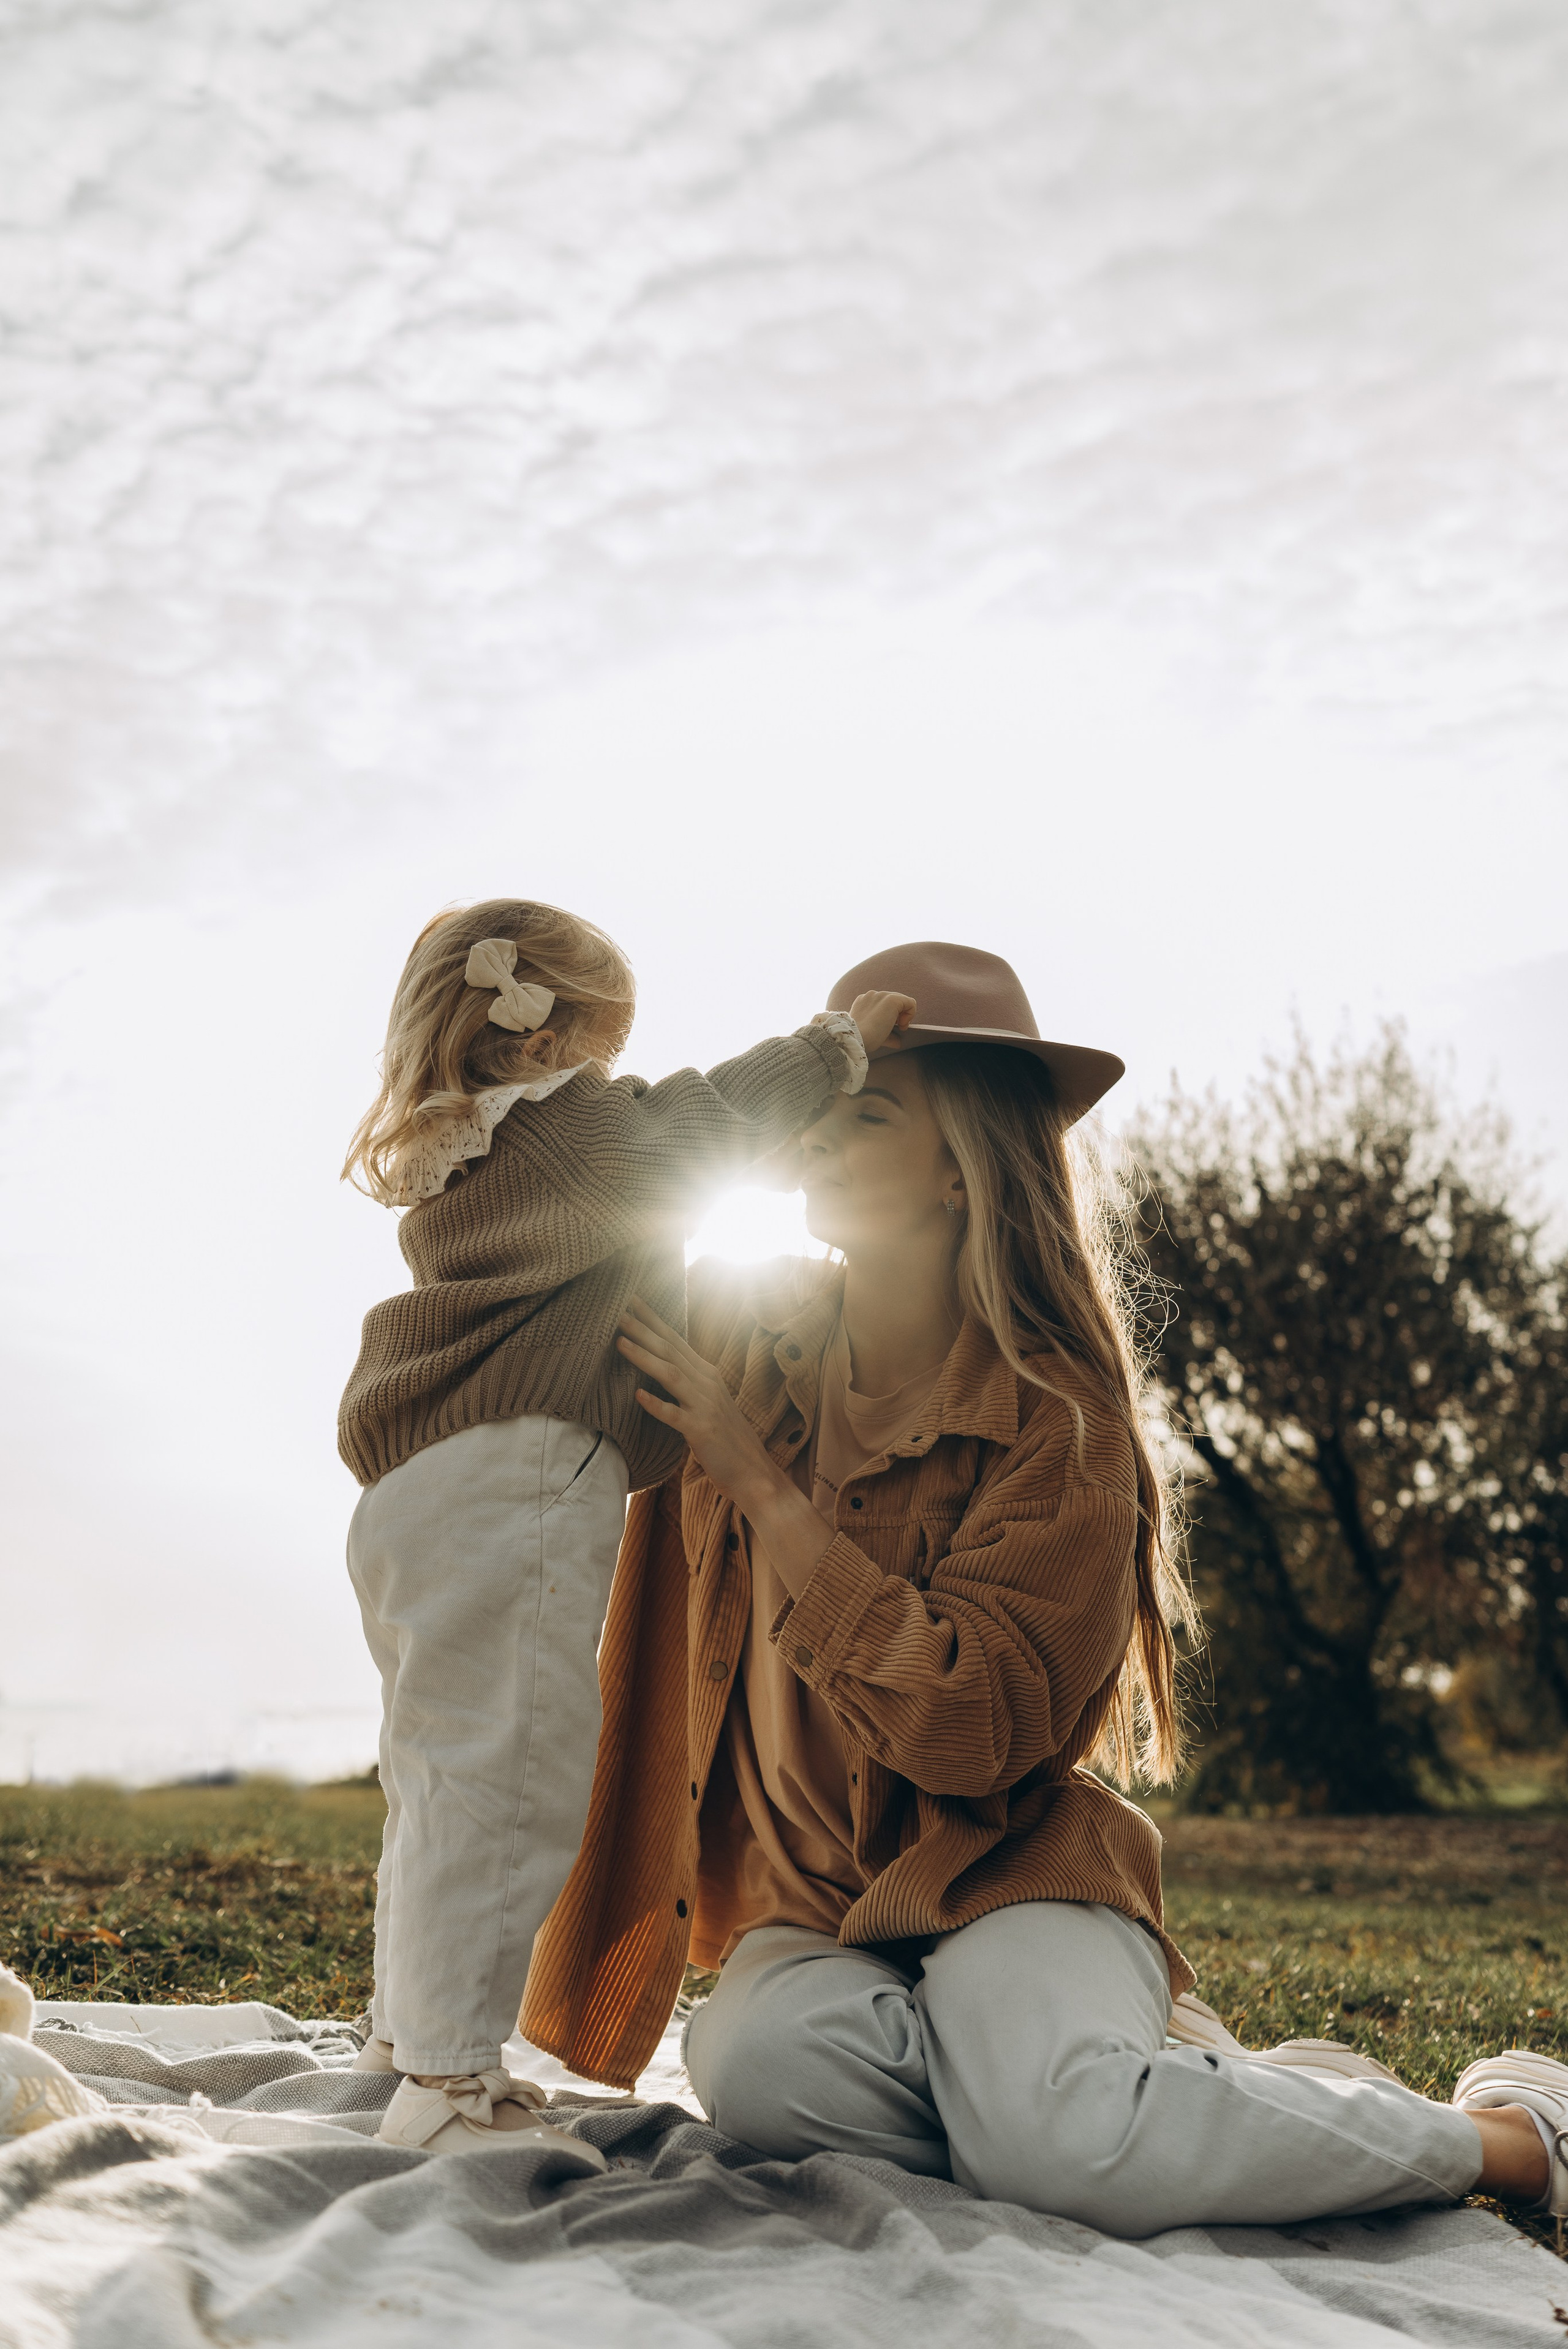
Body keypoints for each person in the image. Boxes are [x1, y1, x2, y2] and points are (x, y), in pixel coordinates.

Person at [522, 939, 1567, 2234]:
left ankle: (1510, 2134)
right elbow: (587, 1189)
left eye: (861, 1112)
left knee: (1058, 2141)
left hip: (1005, 1876)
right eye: (809, 1105)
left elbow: (974, 1733)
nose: (810, 1138)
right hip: (810, 1917)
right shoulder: (741, 1328)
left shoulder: (1057, 1426)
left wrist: (765, 1492)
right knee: (760, 2073)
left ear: (958, 1168)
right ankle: (1154, 2094)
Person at [337, 896, 911, 2155]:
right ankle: (442, 2091)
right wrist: (832, 1052)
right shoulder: (565, 1135)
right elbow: (694, 1129)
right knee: (512, 1773)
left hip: (418, 1489)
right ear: (549, 1041)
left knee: (440, 1768)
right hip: (512, 1477)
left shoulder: (470, 1157)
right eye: (605, 1045)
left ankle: (407, 2034)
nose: (617, 1073)